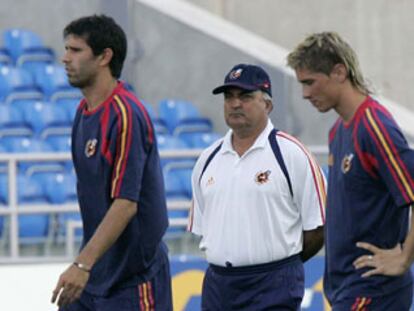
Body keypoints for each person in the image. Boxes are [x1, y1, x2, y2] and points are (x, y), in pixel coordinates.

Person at [52, 15, 172, 310]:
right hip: (98, 271)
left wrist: (82, 265)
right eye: (66, 49)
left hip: (133, 278)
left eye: (76, 50)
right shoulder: (84, 111)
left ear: (105, 56)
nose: (65, 58)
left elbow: (126, 204)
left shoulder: (126, 114)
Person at [287, 32, 414, 310]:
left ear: (339, 72)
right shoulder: (338, 131)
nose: (305, 94)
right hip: (345, 288)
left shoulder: (374, 126)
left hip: (372, 290)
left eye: (310, 82)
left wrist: (404, 257)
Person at [187, 63, 326, 310]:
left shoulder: (291, 154)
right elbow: (203, 229)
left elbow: (318, 228)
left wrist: (284, 264)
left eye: (246, 96)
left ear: (268, 105)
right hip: (219, 286)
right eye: (229, 97)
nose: (235, 103)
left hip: (273, 284)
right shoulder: (207, 160)